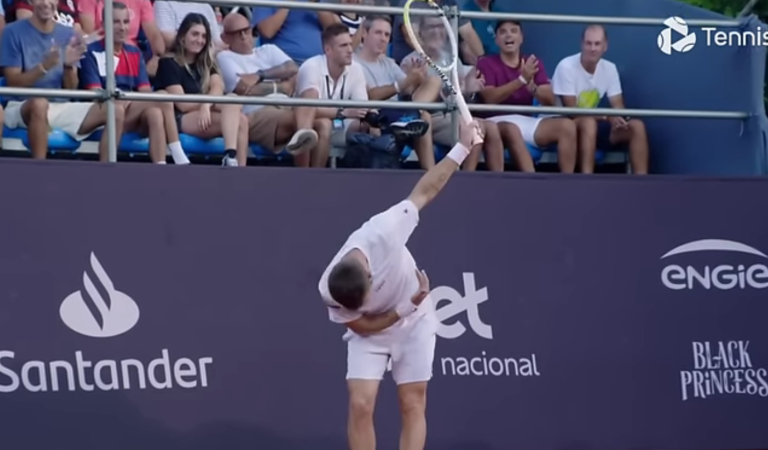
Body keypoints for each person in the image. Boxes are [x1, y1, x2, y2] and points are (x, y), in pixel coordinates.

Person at [318, 118, 482, 450]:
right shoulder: (328, 289)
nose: (362, 304)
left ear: (370, 276)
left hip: (416, 322)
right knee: (361, 404)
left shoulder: (384, 230)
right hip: (386, 323)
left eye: (364, 298)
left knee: (412, 402)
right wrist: (402, 307)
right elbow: (362, 325)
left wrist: (463, 146)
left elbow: (426, 190)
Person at [0, 0, 125, 161]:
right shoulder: (12, 32)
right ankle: (39, 173)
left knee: (115, 110)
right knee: (40, 104)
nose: (46, 3)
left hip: (59, 106)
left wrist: (67, 66)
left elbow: (71, 88)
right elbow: (13, 83)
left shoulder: (69, 34)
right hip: (20, 106)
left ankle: (108, 174)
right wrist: (44, 67)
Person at [80, 1, 188, 164]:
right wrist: (125, 100)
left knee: (155, 113)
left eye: (125, 22)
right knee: (163, 98)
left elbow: (145, 93)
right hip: (105, 112)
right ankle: (177, 151)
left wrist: (129, 100)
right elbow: (95, 97)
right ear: (103, 24)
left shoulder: (135, 52)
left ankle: (160, 167)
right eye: (116, 22)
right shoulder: (91, 51)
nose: (122, 27)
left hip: (130, 109)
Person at [401, 14, 510, 171]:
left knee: (491, 127)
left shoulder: (452, 60)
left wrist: (468, 91)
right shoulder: (411, 61)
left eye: (440, 27)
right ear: (421, 33)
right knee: (474, 132)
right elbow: (407, 99)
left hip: (452, 115)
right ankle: (465, 181)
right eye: (432, 27)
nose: (437, 31)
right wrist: (414, 81)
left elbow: (457, 95)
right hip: (431, 117)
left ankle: (498, 182)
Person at [477, 20, 577, 173]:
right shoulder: (486, 63)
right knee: (512, 129)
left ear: (521, 37)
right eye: (503, 32)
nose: (508, 35)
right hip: (496, 122)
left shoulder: (532, 63)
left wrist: (533, 88)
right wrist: (521, 81)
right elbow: (490, 98)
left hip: (527, 121)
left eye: (513, 31)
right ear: (496, 40)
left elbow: (550, 101)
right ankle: (532, 181)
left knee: (567, 126)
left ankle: (567, 184)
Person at [217, 12, 321, 158]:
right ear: (225, 38)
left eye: (246, 30)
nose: (243, 36)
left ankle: (314, 176)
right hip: (257, 113)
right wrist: (282, 87)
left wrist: (259, 75)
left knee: (322, 120)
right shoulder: (224, 57)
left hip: (285, 106)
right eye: (236, 33)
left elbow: (292, 68)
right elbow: (244, 90)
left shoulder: (268, 50)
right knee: (303, 118)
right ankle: (304, 132)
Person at [152, 13, 249, 167]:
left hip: (205, 111)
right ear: (183, 35)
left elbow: (218, 87)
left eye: (204, 36)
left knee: (234, 104)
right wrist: (206, 102)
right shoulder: (168, 62)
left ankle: (233, 161)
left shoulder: (206, 62)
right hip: (182, 117)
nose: (200, 40)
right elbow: (182, 103)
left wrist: (206, 105)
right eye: (195, 34)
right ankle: (232, 163)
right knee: (239, 120)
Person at [551, 24, 649, 174]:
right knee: (589, 123)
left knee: (636, 127)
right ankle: (587, 180)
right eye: (588, 43)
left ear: (605, 46)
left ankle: (642, 184)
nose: (592, 48)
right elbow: (571, 111)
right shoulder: (566, 66)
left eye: (597, 44)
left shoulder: (610, 68)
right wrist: (606, 116)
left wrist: (619, 120)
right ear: (581, 44)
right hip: (565, 126)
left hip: (596, 124)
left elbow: (618, 105)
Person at [294, 22, 370, 167]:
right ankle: (307, 175)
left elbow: (360, 109)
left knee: (367, 127)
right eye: (343, 46)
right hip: (305, 123)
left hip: (339, 124)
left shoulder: (357, 69)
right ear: (328, 50)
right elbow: (307, 108)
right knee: (325, 124)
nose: (350, 50)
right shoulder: (311, 67)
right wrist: (343, 112)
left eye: (349, 44)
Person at [79, 0, 166, 77]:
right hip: (101, 53)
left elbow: (154, 34)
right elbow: (89, 33)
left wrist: (157, 57)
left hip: (131, 56)